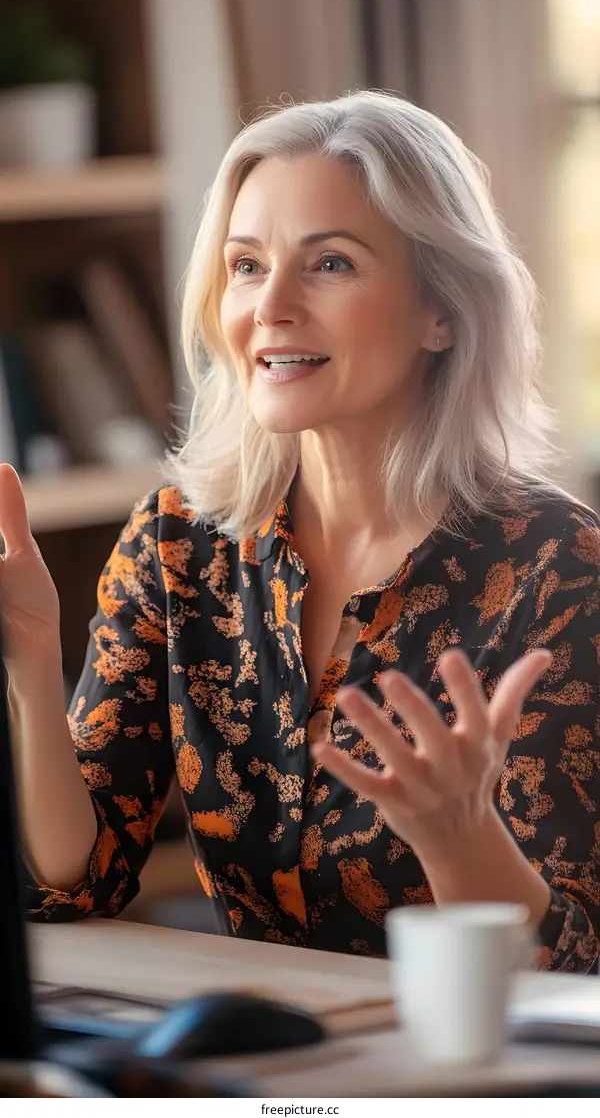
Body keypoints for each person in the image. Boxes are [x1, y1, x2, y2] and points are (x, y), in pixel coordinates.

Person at [2, 91, 600, 969]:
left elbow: (573, 969)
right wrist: (24, 664)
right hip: (273, 1069)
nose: (270, 306)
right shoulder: (177, 545)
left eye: (330, 264)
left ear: (444, 312)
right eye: (246, 265)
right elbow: (77, 879)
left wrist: (457, 831)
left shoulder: (561, 568)